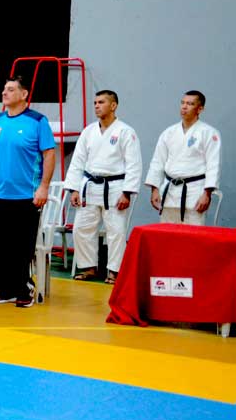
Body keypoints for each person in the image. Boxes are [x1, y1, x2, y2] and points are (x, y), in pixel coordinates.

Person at [0, 76, 56, 308]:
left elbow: (49, 155)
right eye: (4, 89)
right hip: (0, 194)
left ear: (24, 95)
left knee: (22, 246)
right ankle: (5, 288)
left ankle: (24, 287)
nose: (5, 93)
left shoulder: (37, 121)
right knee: (0, 245)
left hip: (27, 196)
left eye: (11, 89)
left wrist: (43, 187)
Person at [62, 90, 143, 282]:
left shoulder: (125, 131)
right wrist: (73, 189)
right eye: (95, 103)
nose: (97, 106)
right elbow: (77, 162)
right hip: (90, 186)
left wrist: (127, 192)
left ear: (113, 106)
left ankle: (114, 271)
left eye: (101, 102)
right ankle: (88, 267)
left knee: (116, 230)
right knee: (82, 228)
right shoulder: (89, 131)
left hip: (115, 187)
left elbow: (134, 164)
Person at [145, 90, 222, 225]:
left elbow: (213, 165)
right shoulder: (168, 133)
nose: (184, 107)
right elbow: (157, 162)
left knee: (193, 239)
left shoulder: (209, 133)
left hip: (194, 193)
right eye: (183, 103)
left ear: (200, 109)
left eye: (190, 104)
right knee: (167, 237)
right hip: (169, 193)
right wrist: (155, 189)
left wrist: (207, 194)